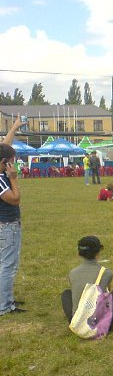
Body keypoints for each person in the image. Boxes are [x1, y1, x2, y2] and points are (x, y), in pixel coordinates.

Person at [60, 236, 113, 332]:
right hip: (100, 325)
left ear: (80, 253)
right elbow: (107, 295)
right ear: (98, 252)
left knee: (66, 293)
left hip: (78, 323)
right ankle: (108, 325)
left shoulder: (73, 273)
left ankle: (74, 322)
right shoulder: (107, 273)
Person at [0, 116, 27, 315]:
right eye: (11, 160)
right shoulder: (2, 180)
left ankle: (5, 298)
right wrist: (14, 179)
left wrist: (15, 127)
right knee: (8, 266)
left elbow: (4, 146)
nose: (13, 162)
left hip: (6, 225)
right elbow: (15, 199)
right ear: (5, 162)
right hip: (7, 225)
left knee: (5, 264)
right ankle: (5, 305)